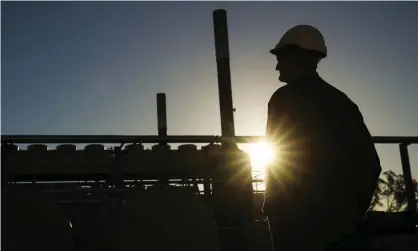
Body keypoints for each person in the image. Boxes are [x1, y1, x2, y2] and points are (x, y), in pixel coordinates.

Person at [263, 25, 382, 251]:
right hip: (342, 230)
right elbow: (371, 164)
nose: (277, 65)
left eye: (280, 58)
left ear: (295, 55)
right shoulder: (343, 102)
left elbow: (279, 162)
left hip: (297, 230)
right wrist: (351, 215)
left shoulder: (284, 99)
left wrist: (274, 208)